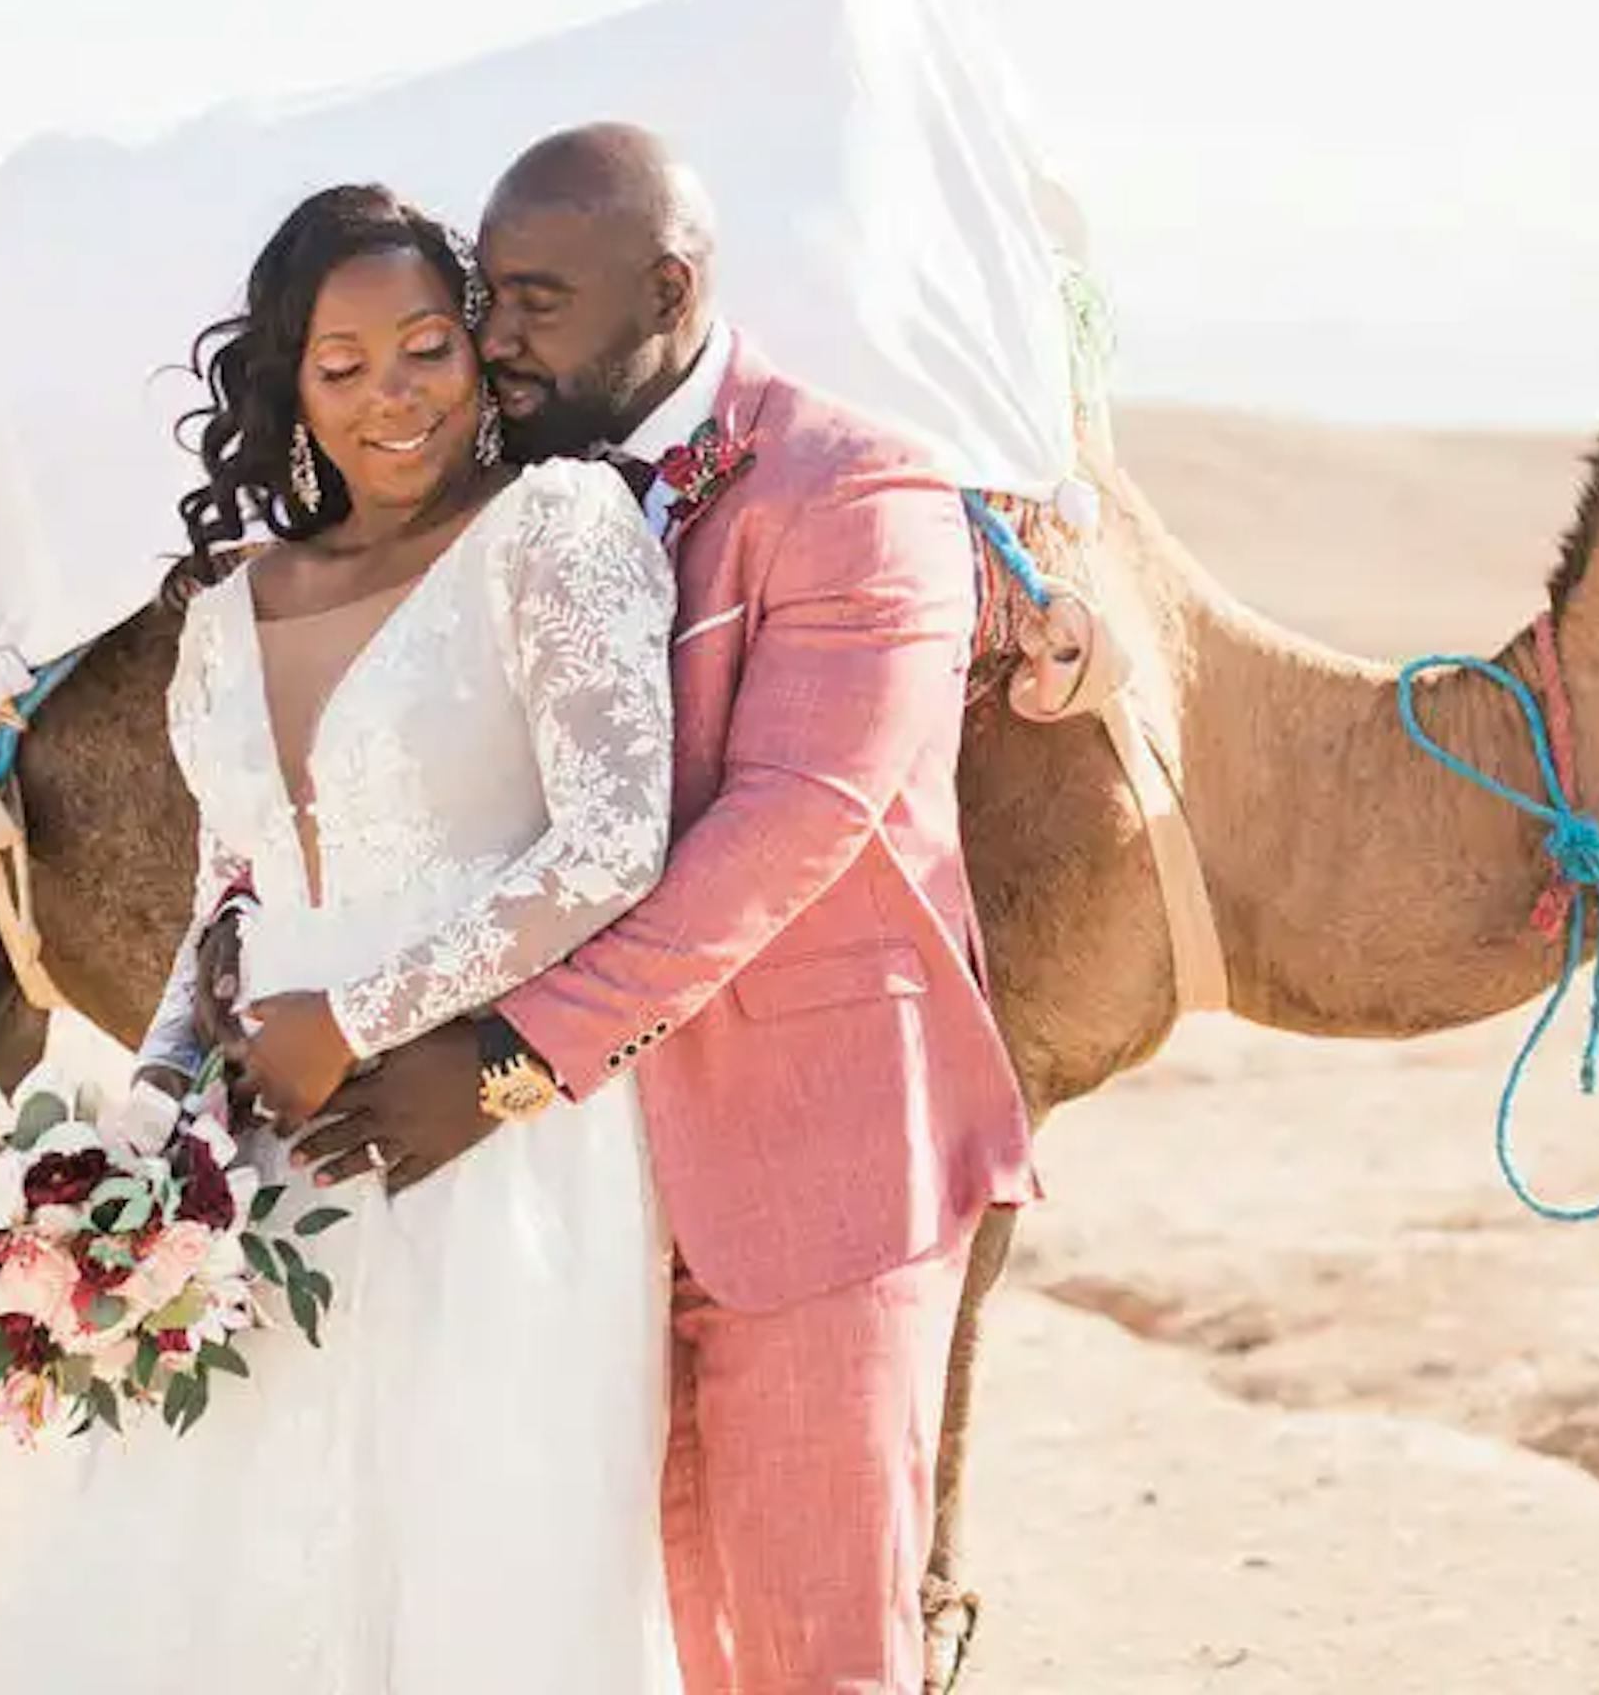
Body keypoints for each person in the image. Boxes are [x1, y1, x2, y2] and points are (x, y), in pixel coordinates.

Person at [291, 123, 1039, 1695]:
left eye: (539, 301)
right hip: (577, 1211)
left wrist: (501, 1065)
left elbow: (785, 836)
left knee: (815, 1654)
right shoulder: (503, 496)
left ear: (673, 290)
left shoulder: (862, 489)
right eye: (488, 296)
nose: (494, 340)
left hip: (814, 1172)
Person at [0, 179, 685, 1691]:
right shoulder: (228, 607)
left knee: (478, 1551)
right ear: (290, 388)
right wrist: (137, 1137)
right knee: (229, 1550)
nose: (392, 398)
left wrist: (364, 1016)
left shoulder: (557, 529)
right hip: (260, 1153)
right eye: (342, 368)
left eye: (425, 349)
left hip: (488, 1132)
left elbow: (614, 838)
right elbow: (229, 897)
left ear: (479, 354)